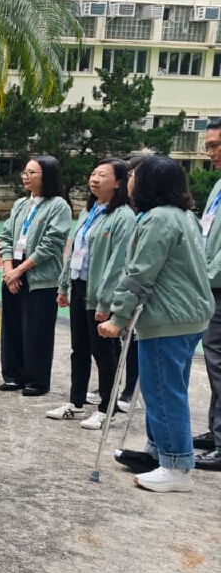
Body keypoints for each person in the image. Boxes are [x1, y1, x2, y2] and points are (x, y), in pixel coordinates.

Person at [100, 156, 213, 492]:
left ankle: (176, 466)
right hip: (186, 315)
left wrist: (118, 318)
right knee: (162, 387)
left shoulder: (158, 219)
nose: (130, 179)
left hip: (168, 317)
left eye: (135, 174)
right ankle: (158, 452)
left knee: (163, 391)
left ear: (150, 182)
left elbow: (139, 274)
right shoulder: (182, 215)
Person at [48, 159, 134, 429]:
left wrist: (105, 301)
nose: (94, 179)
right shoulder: (89, 210)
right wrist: (64, 286)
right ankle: (75, 402)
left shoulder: (123, 216)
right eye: (93, 173)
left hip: (101, 293)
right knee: (80, 348)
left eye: (102, 175)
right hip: (79, 286)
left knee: (104, 352)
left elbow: (117, 263)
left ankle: (107, 408)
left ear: (118, 182)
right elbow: (74, 251)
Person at [0, 155, 72, 396]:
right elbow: (6, 236)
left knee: (37, 331)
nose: (26, 177)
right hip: (13, 272)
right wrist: (9, 269)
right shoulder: (21, 204)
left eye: (32, 173)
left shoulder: (58, 206)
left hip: (40, 276)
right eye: (25, 172)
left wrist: (20, 270)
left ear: (47, 176)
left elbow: (51, 244)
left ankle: (36, 380)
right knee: (12, 327)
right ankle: (13, 376)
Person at [194, 124, 221, 470]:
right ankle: (216, 431)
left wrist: (205, 277)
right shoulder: (217, 185)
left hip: (217, 284)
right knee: (214, 362)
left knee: (218, 362)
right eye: (208, 147)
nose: (210, 153)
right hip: (210, 285)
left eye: (215, 146)